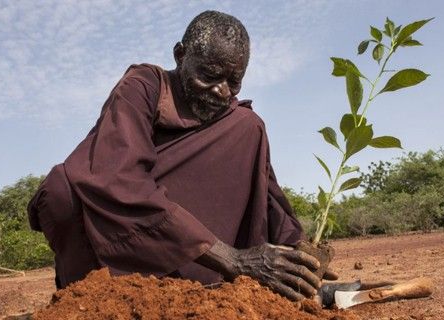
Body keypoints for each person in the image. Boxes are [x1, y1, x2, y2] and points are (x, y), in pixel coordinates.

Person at [27, 10, 336, 302]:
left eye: (234, 82)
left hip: (191, 257)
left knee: (248, 125)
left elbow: (267, 193)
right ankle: (89, 296)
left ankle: (207, 284)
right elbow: (117, 178)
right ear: (180, 55)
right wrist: (233, 259)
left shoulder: (236, 122)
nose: (222, 92)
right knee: (62, 189)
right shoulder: (143, 87)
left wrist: (300, 257)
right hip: (116, 243)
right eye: (210, 76)